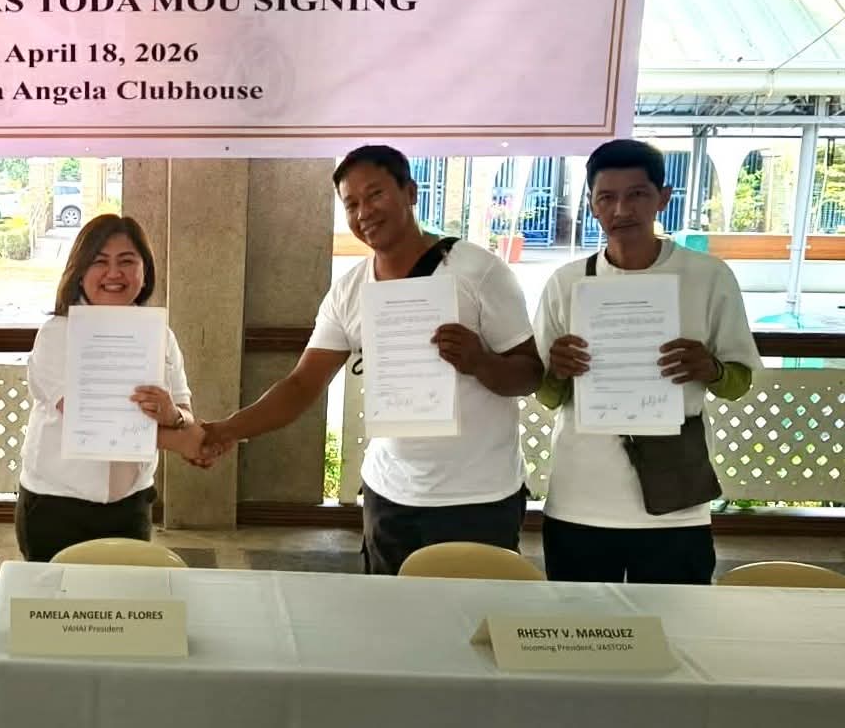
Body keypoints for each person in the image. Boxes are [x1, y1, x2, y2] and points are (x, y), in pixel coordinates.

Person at [201, 145, 543, 574]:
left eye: (375, 194)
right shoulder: (350, 291)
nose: (364, 212)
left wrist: (480, 362)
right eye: (351, 204)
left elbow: (530, 374)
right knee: (388, 612)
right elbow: (301, 385)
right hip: (389, 496)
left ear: (410, 192)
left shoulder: (479, 272)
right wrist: (225, 430)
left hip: (478, 497)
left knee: (472, 614)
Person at [535, 139, 760, 584]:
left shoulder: (708, 276)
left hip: (675, 503)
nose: (622, 209)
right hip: (580, 497)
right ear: (592, 205)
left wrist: (710, 368)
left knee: (677, 620)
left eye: (637, 194)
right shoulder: (566, 282)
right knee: (576, 622)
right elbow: (547, 396)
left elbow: (739, 383)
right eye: (606, 197)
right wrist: (558, 370)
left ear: (663, 198)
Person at [15, 215, 204, 562]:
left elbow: (186, 414)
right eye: (100, 262)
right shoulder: (57, 334)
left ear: (144, 271)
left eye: (127, 261)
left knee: (124, 594)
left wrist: (174, 416)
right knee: (56, 595)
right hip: (56, 503)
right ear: (79, 272)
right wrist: (188, 441)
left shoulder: (162, 336)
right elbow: (96, 424)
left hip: (131, 502)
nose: (114, 273)